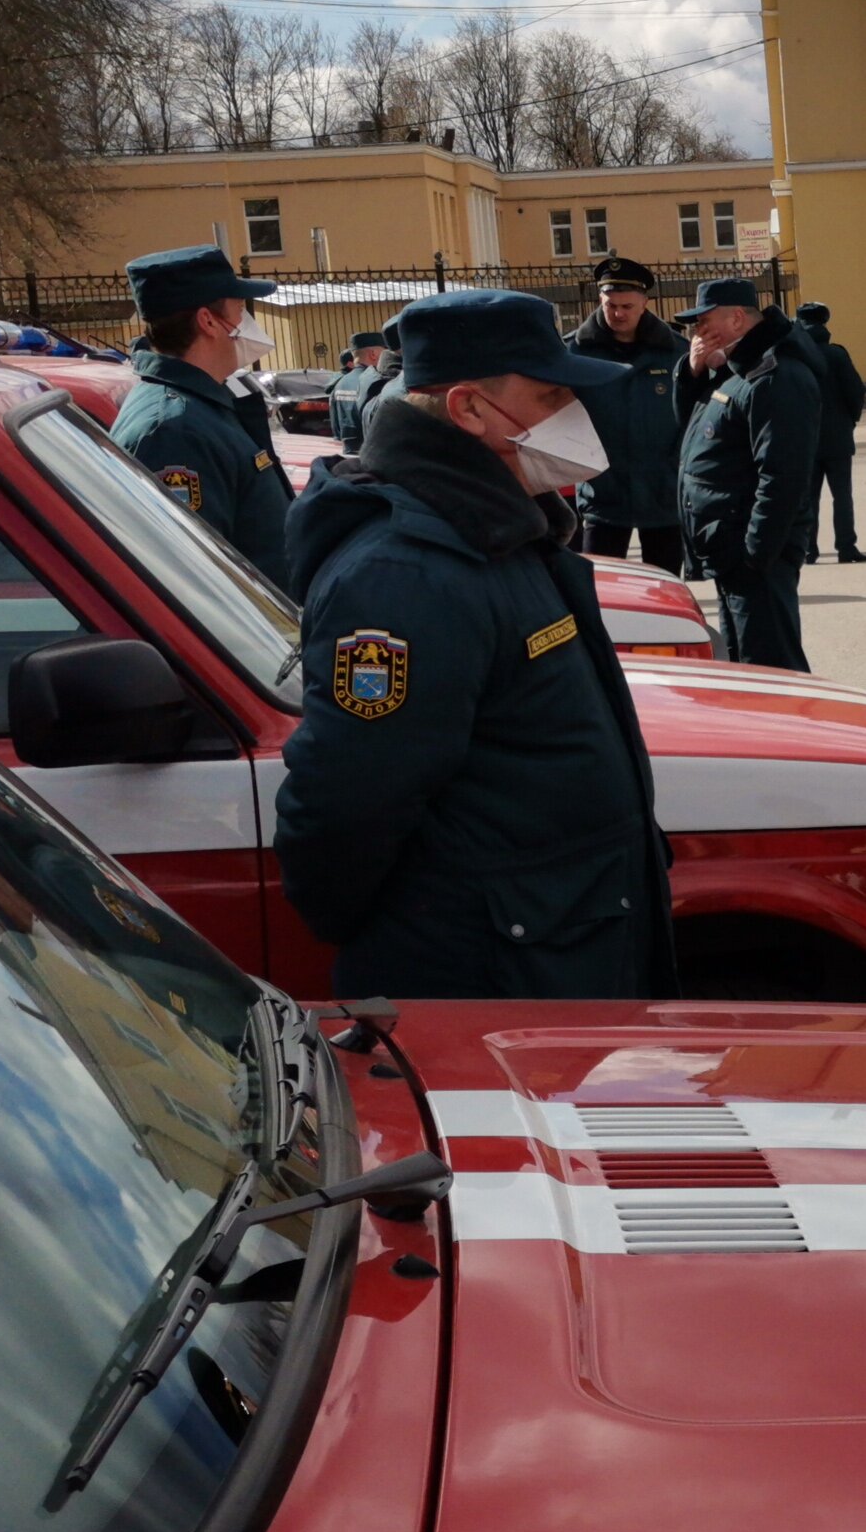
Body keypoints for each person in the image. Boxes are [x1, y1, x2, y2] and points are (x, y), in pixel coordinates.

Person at [271, 287, 675, 1001]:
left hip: (553, 946)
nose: (573, 415)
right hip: (491, 972)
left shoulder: (497, 527)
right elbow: (348, 802)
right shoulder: (406, 573)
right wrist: (406, 936)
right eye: (551, 396)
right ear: (468, 409)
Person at [113, 243, 295, 577]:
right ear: (208, 321)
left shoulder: (200, 407)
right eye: (240, 309)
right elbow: (198, 575)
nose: (247, 321)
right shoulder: (173, 430)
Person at [674, 275, 822, 668]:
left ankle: (795, 731)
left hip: (754, 555)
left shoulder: (775, 376)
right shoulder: (736, 367)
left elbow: (782, 476)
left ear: (738, 319)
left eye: (705, 322)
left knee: (772, 668)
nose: (698, 332)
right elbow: (694, 433)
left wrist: (755, 555)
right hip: (730, 550)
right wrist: (691, 374)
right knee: (745, 667)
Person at [569, 257, 688, 569]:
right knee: (602, 596)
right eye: (612, 306)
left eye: (627, 306)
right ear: (600, 301)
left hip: (662, 492)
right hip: (603, 492)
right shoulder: (574, 353)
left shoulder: (677, 352)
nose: (619, 313)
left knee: (664, 593)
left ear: (644, 304)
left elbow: (694, 414)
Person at [795, 299, 866, 561]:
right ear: (824, 323)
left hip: (805, 438)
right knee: (842, 496)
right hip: (838, 437)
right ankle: (846, 548)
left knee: (807, 498)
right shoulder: (837, 354)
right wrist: (850, 420)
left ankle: (808, 549)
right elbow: (855, 391)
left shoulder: (795, 357)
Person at [323, 328, 393, 458]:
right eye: (384, 352)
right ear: (373, 354)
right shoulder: (374, 381)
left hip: (347, 453)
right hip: (372, 454)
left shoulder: (339, 383)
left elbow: (336, 428)